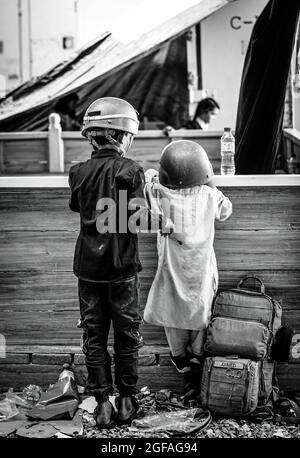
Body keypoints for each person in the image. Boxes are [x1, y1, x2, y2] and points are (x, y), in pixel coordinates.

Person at [68, 97, 172, 430]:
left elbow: (79, 207)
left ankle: (101, 404)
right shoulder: (130, 170)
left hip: (87, 269)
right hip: (122, 269)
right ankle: (126, 400)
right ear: (120, 135)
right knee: (127, 334)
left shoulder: (78, 172)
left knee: (94, 335)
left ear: (92, 135)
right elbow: (140, 219)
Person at [143, 140, 232, 403]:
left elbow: (148, 179)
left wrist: (155, 177)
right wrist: (211, 183)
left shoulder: (158, 193)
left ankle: (182, 364)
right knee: (201, 318)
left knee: (173, 317)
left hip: (171, 272)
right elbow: (226, 210)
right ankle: (196, 370)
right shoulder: (209, 196)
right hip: (201, 273)